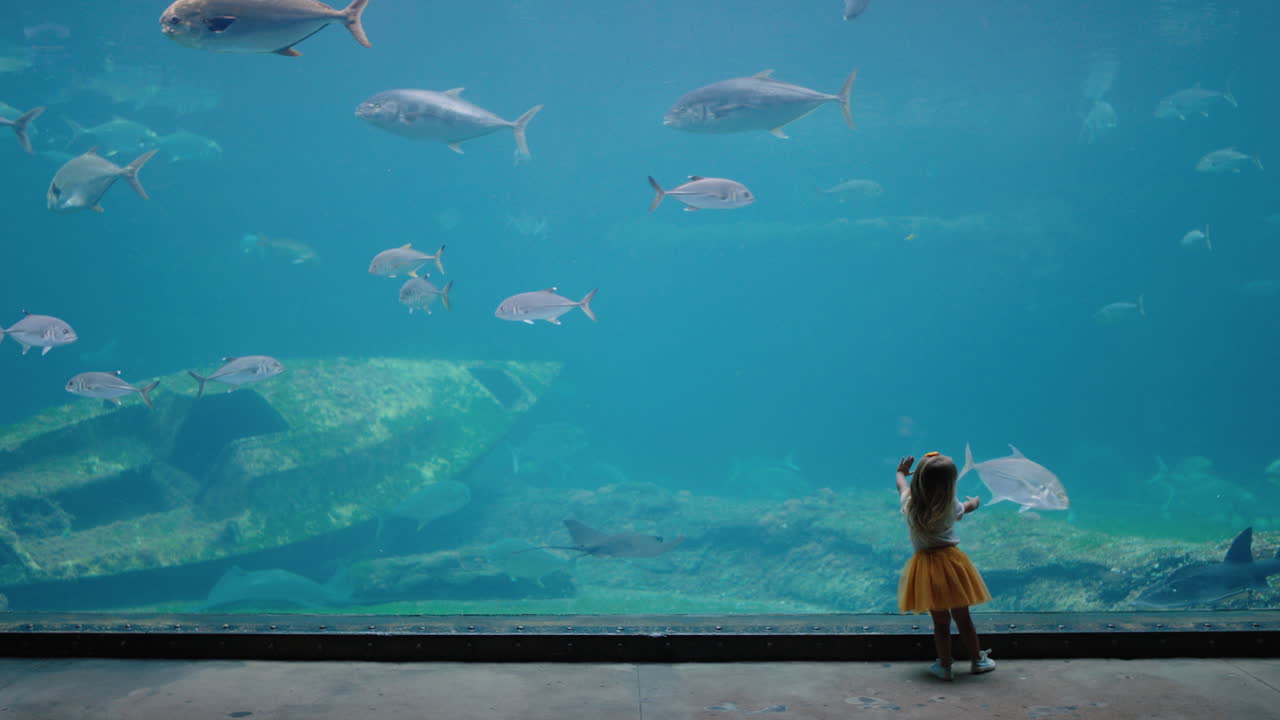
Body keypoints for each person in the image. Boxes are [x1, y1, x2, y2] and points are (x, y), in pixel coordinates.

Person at [895, 451, 996, 681]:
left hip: (926, 569)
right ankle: (978, 660)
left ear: (918, 479)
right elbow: (965, 508)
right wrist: (974, 503)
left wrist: (901, 472)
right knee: (963, 618)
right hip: (952, 565)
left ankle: (944, 666)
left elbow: (901, 485)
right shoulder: (950, 504)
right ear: (950, 484)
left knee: (940, 623)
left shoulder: (909, 504)